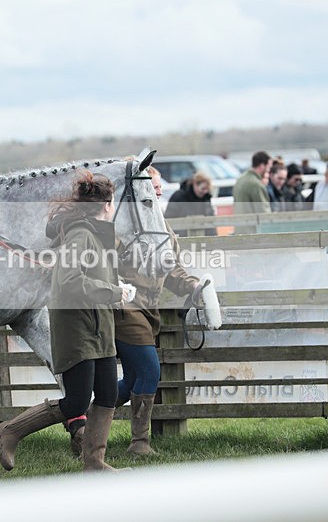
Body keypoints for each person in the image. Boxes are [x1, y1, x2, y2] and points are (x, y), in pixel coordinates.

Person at [0, 172, 127, 472]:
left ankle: (95, 463)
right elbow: (69, 281)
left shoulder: (97, 232)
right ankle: (11, 431)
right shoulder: (80, 234)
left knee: (108, 394)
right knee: (77, 402)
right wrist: (113, 292)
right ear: (107, 205)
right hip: (78, 327)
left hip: (99, 325)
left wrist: (115, 289)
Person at [112, 166, 202, 455]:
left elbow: (172, 268)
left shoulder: (161, 224)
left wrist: (193, 286)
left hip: (148, 310)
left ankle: (78, 417)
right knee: (150, 370)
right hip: (126, 307)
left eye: (160, 185)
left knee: (131, 381)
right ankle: (139, 443)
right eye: (154, 185)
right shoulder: (122, 224)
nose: (160, 190)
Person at [164, 171, 216, 236]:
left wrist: (213, 237)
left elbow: (210, 220)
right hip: (181, 236)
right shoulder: (179, 196)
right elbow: (169, 218)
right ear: (195, 184)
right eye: (203, 189)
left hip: (202, 236)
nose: (205, 192)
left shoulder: (206, 198)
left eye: (207, 189)